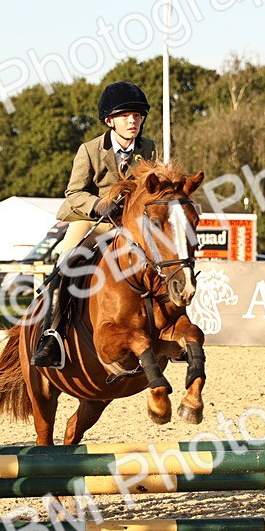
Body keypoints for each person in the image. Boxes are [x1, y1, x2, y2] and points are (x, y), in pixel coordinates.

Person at [30, 81, 156, 368]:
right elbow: (73, 193)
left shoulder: (148, 148)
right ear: (110, 121)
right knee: (64, 264)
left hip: (129, 225)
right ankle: (52, 336)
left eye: (137, 116)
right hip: (93, 221)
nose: (133, 121)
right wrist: (99, 204)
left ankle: (164, 328)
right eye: (126, 116)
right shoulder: (89, 150)